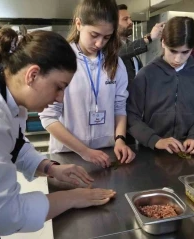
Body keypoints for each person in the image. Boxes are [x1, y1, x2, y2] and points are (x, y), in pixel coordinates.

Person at [0, 28, 116, 238]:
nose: (60, 98)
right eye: (58, 87)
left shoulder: (2, 91)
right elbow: (2, 215)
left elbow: (15, 143)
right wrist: (72, 198)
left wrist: (50, 168)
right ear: (33, 75)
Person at [39, 0, 136, 169]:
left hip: (106, 153)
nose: (99, 43)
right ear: (78, 24)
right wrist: (84, 151)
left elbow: (119, 107)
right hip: (68, 154)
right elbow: (48, 117)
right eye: (94, 35)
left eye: (106, 37)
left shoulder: (116, 63)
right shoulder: (60, 60)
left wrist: (120, 139)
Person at [127, 17, 194, 155]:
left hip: (187, 149)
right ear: (163, 42)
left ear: (192, 48)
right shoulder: (146, 75)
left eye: (185, 52)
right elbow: (132, 116)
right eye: (173, 51)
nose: (178, 59)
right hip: (152, 150)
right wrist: (154, 140)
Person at [117, 4, 165, 84]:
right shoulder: (107, 46)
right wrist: (149, 37)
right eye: (125, 19)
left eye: (130, 18)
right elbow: (120, 53)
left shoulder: (130, 44)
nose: (130, 22)